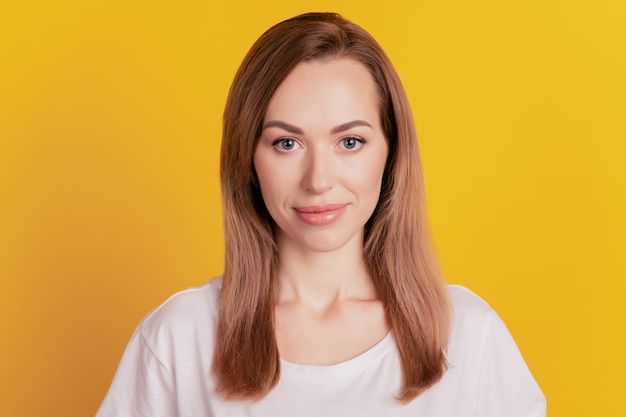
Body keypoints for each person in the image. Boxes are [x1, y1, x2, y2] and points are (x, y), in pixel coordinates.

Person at [96, 12, 546, 417]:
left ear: (392, 153)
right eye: (286, 143)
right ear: (248, 158)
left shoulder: (471, 335)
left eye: (349, 142)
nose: (318, 179)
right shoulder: (179, 340)